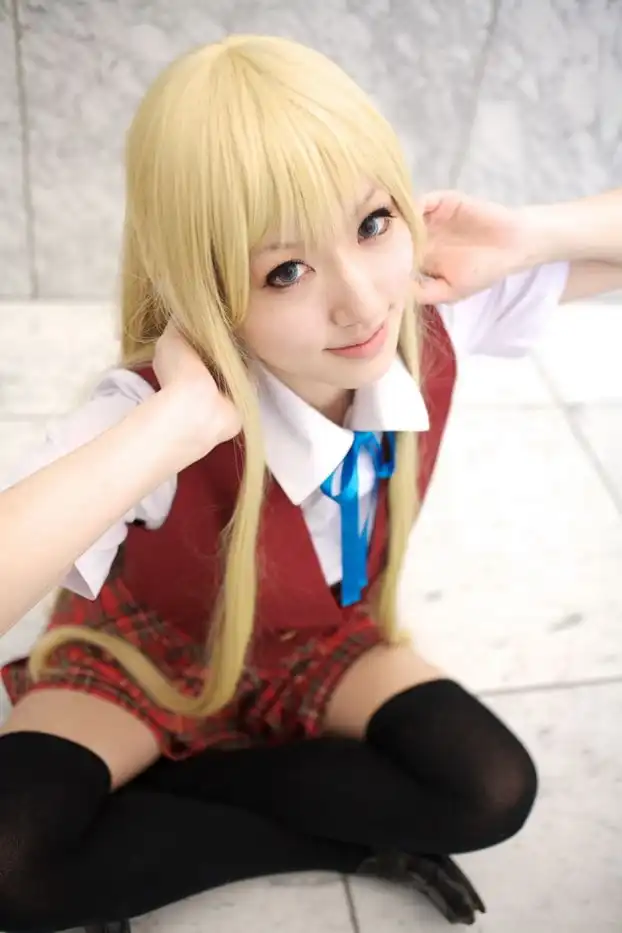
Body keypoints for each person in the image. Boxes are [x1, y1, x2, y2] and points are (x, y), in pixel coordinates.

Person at [0, 34, 620, 933]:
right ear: (206, 286)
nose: (362, 301)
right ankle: (321, 832)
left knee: (489, 790)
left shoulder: (428, 316)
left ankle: (172, 796)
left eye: (372, 224)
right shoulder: (156, 407)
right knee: (10, 862)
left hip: (323, 641)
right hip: (151, 652)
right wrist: (170, 430)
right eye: (284, 270)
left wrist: (531, 234)